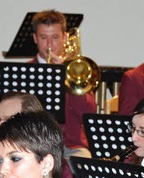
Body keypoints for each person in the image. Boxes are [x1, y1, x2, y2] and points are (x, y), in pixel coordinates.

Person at [30, 9, 97, 159]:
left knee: (85, 165)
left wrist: (66, 77)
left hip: (71, 146)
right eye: (43, 37)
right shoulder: (25, 71)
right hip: (33, 145)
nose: (49, 45)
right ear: (35, 38)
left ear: (65, 37)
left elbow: (88, 112)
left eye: (55, 37)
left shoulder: (75, 71)